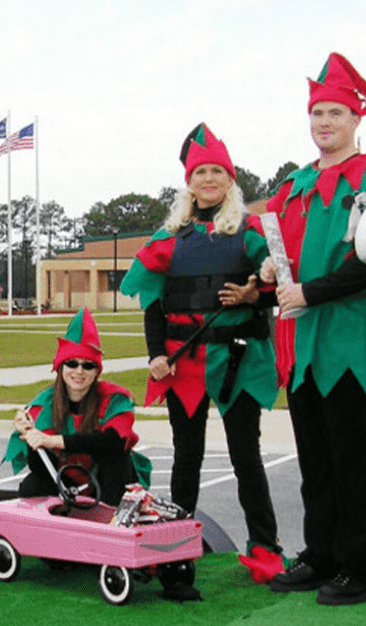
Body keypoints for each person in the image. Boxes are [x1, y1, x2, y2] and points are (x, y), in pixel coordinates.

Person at [120, 123, 283, 581]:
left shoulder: (250, 232)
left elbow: (276, 284)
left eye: (217, 171)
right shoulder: (169, 238)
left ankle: (265, 547)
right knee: (186, 455)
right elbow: (153, 304)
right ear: (188, 182)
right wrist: (156, 353)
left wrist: (256, 295)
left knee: (245, 456)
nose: (208, 179)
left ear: (230, 179)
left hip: (237, 360)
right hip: (184, 363)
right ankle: (174, 545)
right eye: (200, 172)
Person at [261, 53, 366, 606]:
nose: (325, 123)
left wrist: (310, 292)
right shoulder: (295, 183)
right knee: (314, 457)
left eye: (335, 113)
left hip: (343, 335)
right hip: (299, 341)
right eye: (318, 113)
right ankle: (320, 555)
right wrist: (268, 269)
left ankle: (360, 568)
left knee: (351, 457)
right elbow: (278, 248)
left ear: (356, 119)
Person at [3, 307, 152, 507]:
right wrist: (31, 437)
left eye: (88, 365)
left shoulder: (115, 399)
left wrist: (51, 440)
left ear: (97, 371)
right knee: (32, 486)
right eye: (72, 364)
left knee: (116, 459)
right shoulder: (43, 403)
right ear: (60, 368)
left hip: (109, 479)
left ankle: (111, 524)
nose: (79, 371)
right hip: (67, 478)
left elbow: (114, 443)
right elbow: (40, 468)